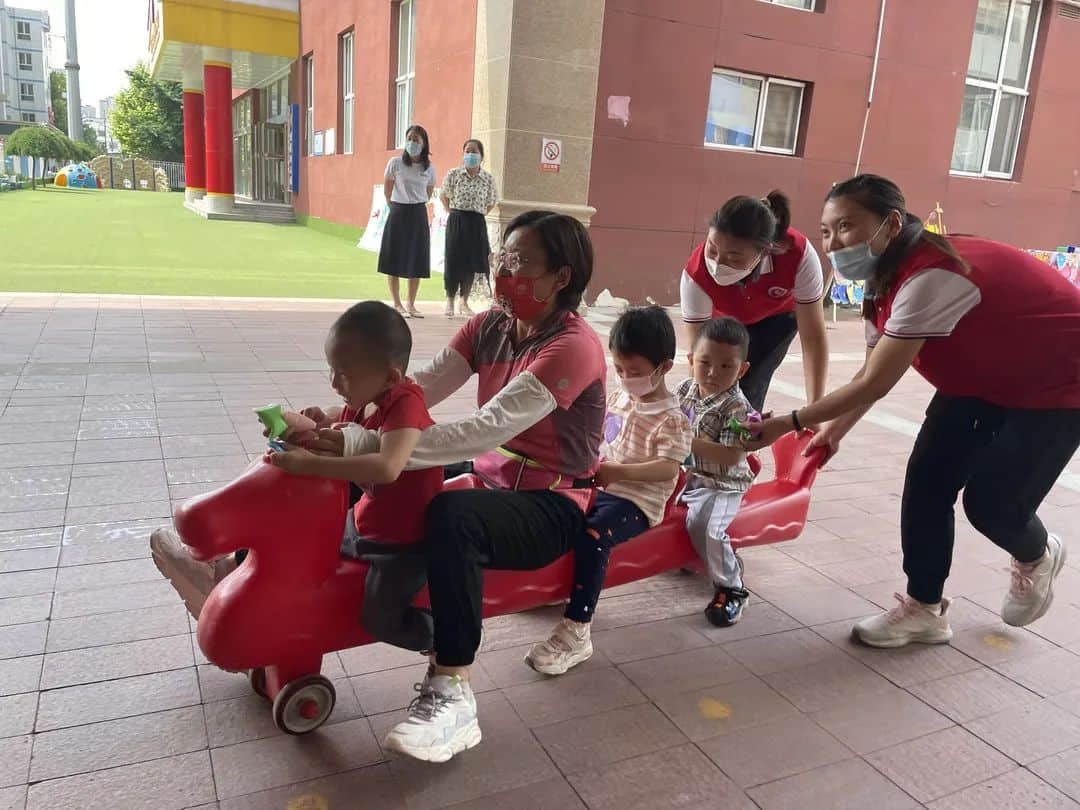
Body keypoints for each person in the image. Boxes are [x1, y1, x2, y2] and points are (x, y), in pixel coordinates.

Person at [747, 173, 1080, 648]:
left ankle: (1037, 554)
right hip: (979, 380)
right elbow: (872, 372)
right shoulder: (881, 282)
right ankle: (924, 609)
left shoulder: (932, 275)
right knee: (926, 484)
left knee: (992, 505)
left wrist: (790, 422)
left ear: (891, 224)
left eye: (847, 226)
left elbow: (875, 380)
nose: (834, 241)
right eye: (826, 230)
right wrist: (834, 431)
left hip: (1060, 382)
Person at [318, 211, 605, 762]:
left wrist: (365, 445)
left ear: (561, 278)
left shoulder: (573, 346)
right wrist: (336, 420)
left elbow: (484, 428)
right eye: (504, 258)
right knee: (378, 475)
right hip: (490, 480)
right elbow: (415, 388)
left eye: (520, 263)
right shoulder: (491, 325)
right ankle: (254, 565)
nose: (504, 272)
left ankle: (452, 691)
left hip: (553, 504)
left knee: (449, 515)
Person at [150, 302, 443, 652]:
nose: (335, 383)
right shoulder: (365, 397)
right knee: (298, 538)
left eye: (345, 374)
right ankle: (226, 573)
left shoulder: (407, 403)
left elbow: (386, 466)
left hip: (404, 542)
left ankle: (443, 637)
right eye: (332, 369)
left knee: (380, 618)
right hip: (367, 522)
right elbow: (347, 439)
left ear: (391, 377)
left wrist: (310, 464)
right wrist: (313, 426)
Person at [525, 306, 691, 676]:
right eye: (619, 368)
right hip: (601, 484)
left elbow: (668, 467)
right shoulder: (618, 396)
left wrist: (618, 472)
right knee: (556, 511)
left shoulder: (673, 418)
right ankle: (548, 587)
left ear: (664, 367)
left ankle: (577, 630)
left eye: (634, 372)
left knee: (593, 536)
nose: (624, 377)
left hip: (638, 501)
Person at [680, 191, 829, 412]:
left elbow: (813, 338)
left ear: (764, 252)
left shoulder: (798, 255)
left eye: (734, 256)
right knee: (715, 375)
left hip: (777, 319)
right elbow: (698, 353)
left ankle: (745, 435)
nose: (718, 263)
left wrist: (815, 409)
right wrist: (695, 410)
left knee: (751, 383)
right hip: (725, 321)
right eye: (712, 249)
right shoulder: (696, 274)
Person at [677, 317, 756, 626]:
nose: (712, 373)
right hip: (687, 476)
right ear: (690, 360)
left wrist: (684, 441)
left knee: (707, 525)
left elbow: (731, 455)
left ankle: (733, 589)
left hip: (721, 484)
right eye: (705, 362)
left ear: (742, 370)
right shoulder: (685, 389)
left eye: (726, 366)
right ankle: (707, 558)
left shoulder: (736, 407)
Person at [380, 124, 435, 318]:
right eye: (409, 138)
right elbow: (387, 190)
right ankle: (396, 303)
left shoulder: (429, 168)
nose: (412, 142)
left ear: (424, 143)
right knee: (393, 257)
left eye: (416, 139)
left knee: (416, 258)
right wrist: (396, 207)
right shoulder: (395, 163)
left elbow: (427, 192)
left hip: (418, 213)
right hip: (398, 211)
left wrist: (414, 204)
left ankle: (411, 304)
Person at [440, 139, 498, 318]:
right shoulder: (454, 174)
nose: (471, 155)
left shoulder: (488, 178)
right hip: (457, 220)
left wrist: (478, 214)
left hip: (476, 222)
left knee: (471, 262)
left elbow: (491, 201)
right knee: (453, 260)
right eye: (468, 151)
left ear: (481, 156)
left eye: (475, 152)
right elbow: (444, 196)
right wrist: (452, 211)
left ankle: (464, 301)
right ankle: (450, 299)